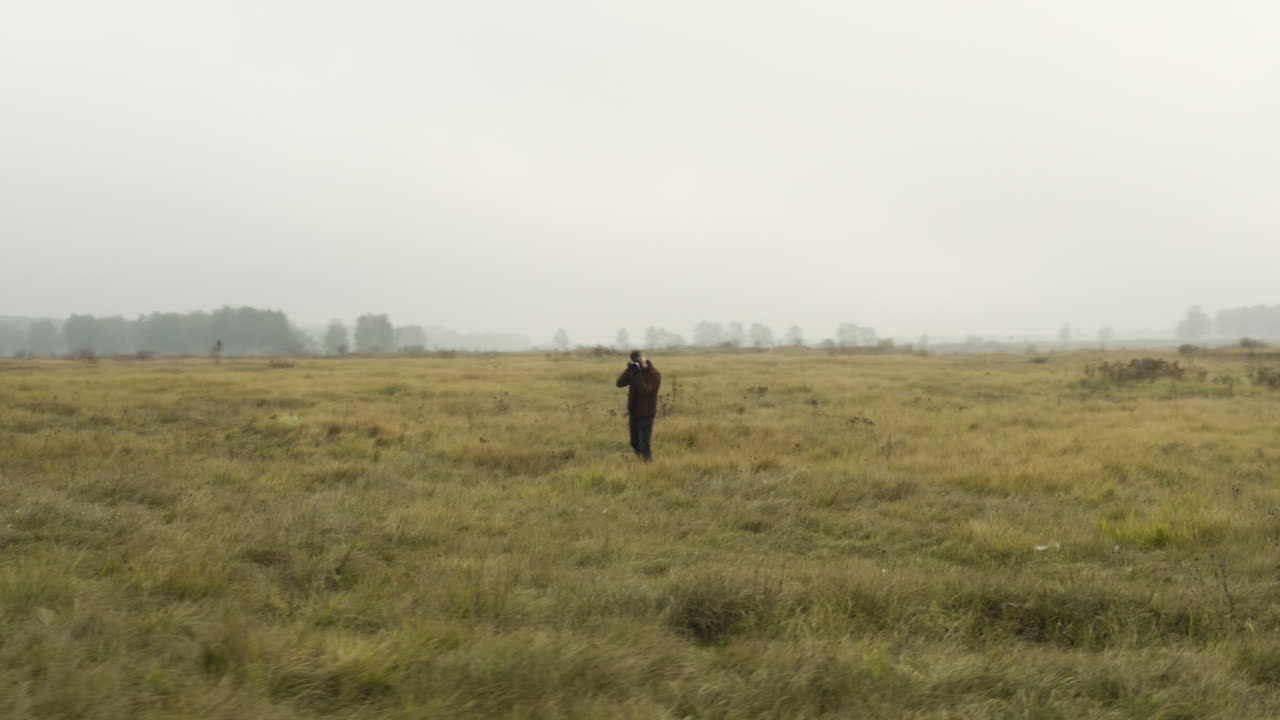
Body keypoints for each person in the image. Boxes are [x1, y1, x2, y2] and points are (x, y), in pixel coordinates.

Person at [616, 350, 661, 462]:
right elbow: (619, 384)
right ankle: (642, 463)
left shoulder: (654, 374)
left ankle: (649, 468)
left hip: (646, 414)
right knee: (634, 443)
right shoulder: (633, 371)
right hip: (634, 413)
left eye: (640, 359)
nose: (639, 362)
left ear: (644, 358)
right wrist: (629, 370)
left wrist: (637, 375)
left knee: (644, 445)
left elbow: (645, 391)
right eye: (636, 360)